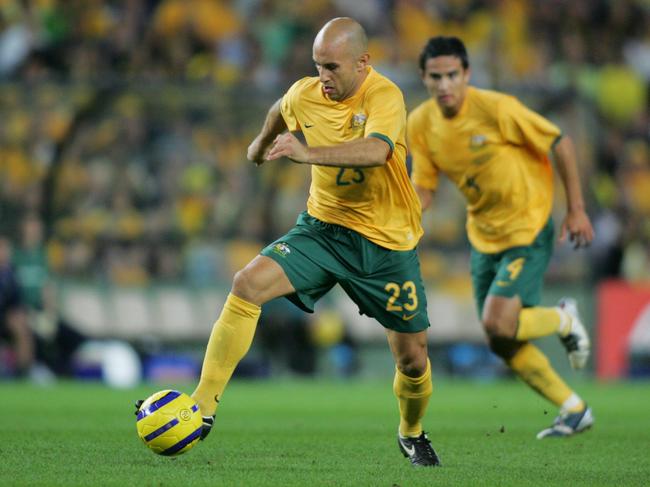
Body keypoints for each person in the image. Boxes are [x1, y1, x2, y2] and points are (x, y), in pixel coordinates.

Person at [139, 17, 441, 467]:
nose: (324, 77)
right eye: (318, 65)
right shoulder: (307, 93)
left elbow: (377, 152)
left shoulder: (385, 96)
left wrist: (306, 152)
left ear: (363, 62)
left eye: (333, 67)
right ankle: (203, 405)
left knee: (413, 359)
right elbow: (281, 108)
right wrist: (260, 144)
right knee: (246, 283)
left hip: (385, 245)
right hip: (324, 229)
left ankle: (411, 431)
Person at [407, 36, 595, 439]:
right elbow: (424, 186)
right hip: (483, 235)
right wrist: (401, 216)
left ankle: (564, 317)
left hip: (528, 228)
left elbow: (560, 142)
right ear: (423, 78)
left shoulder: (496, 109)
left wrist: (576, 209)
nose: (444, 85)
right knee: (500, 339)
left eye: (452, 75)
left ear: (467, 74)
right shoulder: (420, 123)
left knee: (497, 321)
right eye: (435, 77)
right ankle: (574, 409)